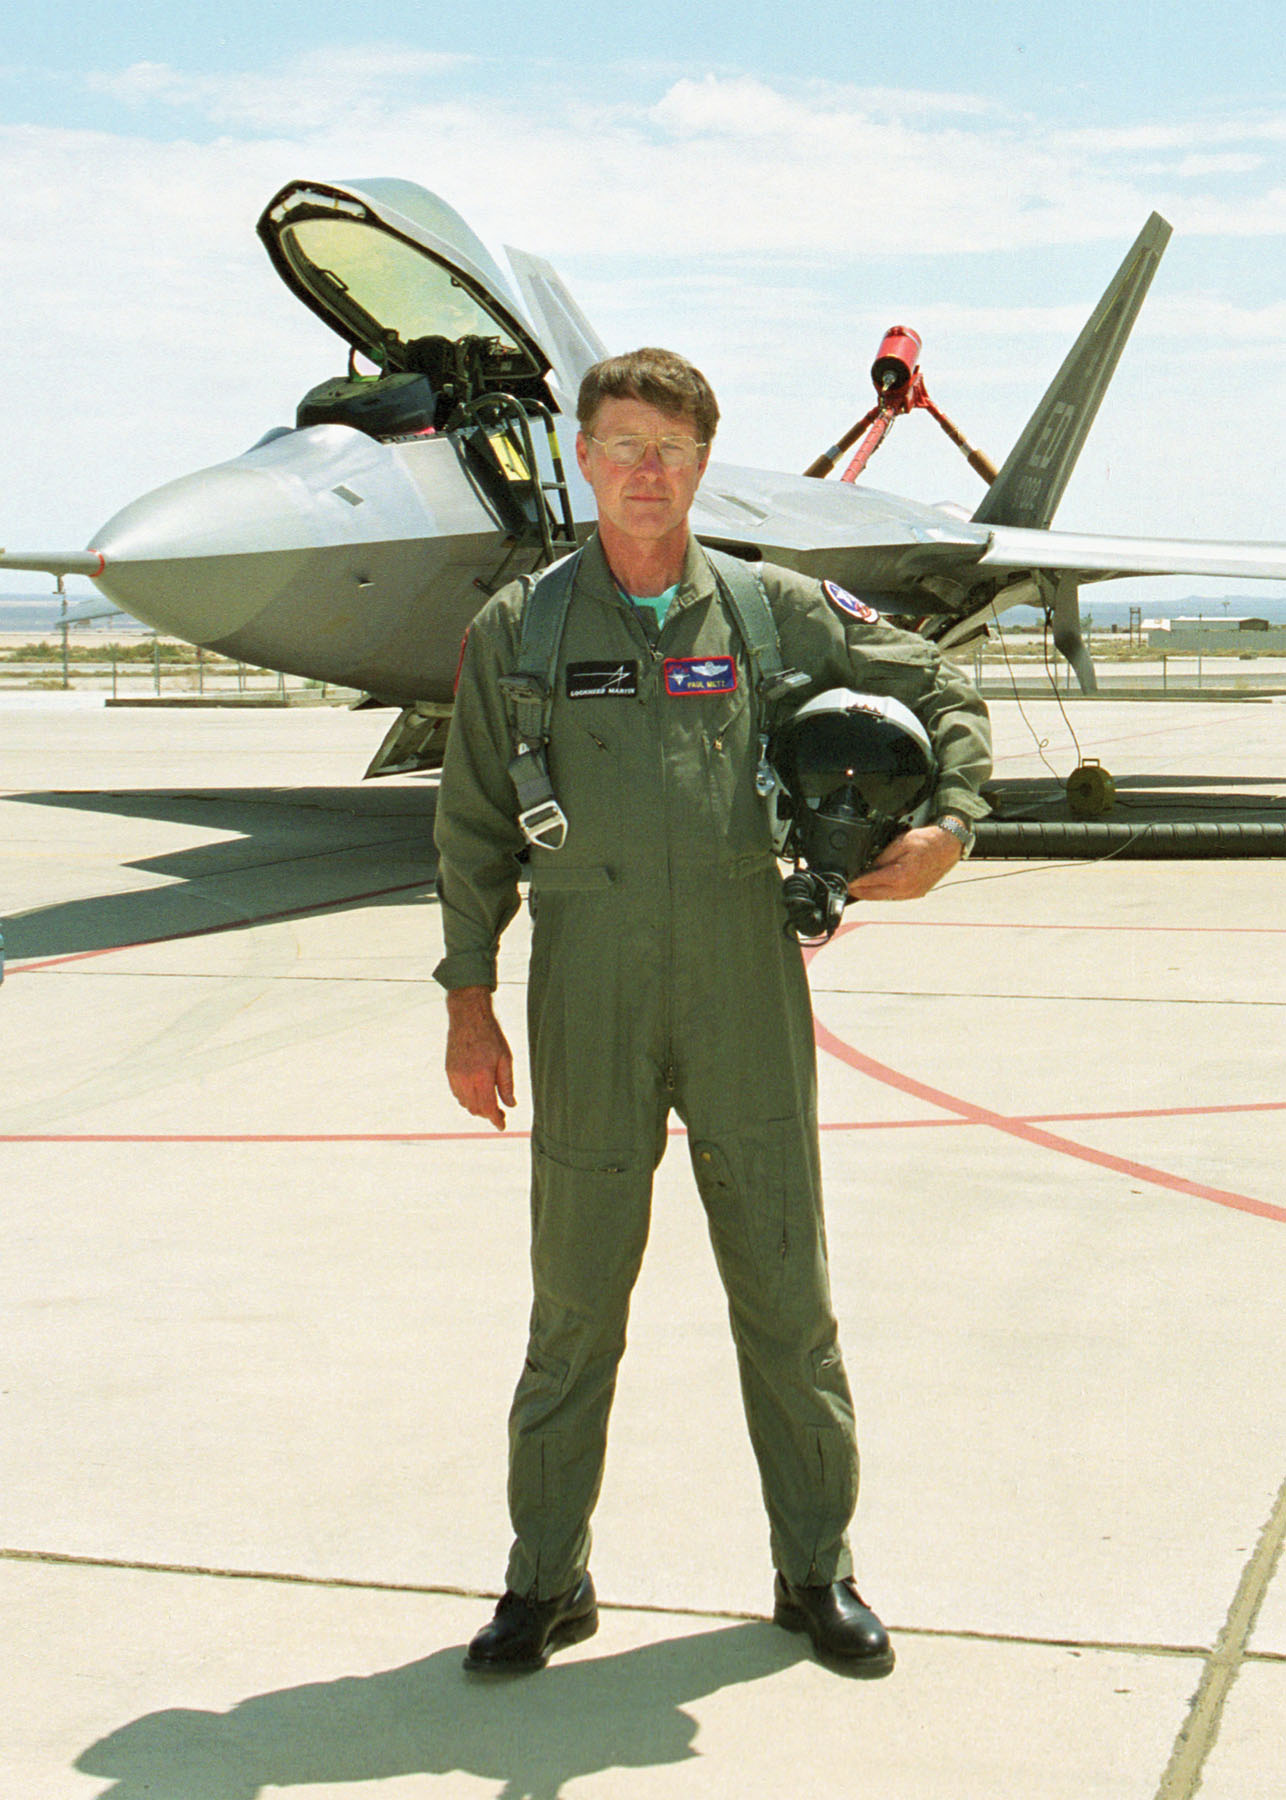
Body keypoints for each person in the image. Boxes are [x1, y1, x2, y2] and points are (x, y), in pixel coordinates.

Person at [434, 348, 991, 1675]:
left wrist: (949, 829)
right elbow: (467, 829)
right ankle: (544, 1581)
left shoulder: (774, 609)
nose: (644, 473)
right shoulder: (519, 632)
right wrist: (468, 997)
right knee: (572, 1304)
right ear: (583, 454)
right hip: (586, 987)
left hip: (745, 977)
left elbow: (941, 687)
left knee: (784, 1294)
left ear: (701, 464)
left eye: (672, 452)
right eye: (622, 445)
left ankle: (816, 1571)